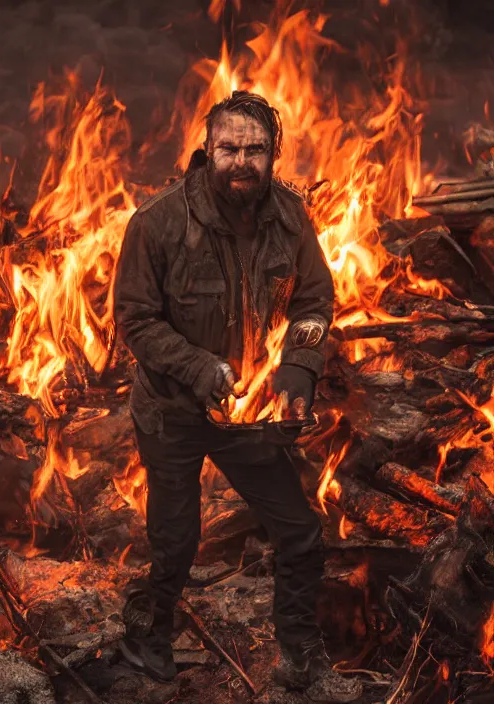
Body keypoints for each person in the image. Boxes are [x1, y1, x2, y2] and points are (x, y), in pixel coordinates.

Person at [113, 91, 362, 702]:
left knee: (300, 532)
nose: (241, 161)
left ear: (274, 154)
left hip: (246, 415)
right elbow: (136, 321)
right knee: (176, 541)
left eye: (255, 149)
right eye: (229, 148)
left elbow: (313, 303)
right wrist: (200, 368)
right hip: (171, 412)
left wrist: (299, 372)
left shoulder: (290, 217)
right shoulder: (159, 221)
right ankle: (149, 634)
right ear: (206, 150)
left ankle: (299, 655)